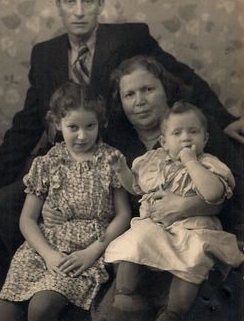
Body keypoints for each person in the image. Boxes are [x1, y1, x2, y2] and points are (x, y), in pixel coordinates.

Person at [0, 0, 243, 320]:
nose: (78, 10)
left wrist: (226, 119)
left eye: (87, 1)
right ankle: (3, 285)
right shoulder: (44, 54)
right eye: (70, 2)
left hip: (105, 159)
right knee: (2, 203)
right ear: (58, 5)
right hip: (63, 162)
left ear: (100, 4)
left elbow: (180, 78)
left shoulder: (129, 40)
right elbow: (28, 121)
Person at [90, 55, 243, 321]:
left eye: (148, 89)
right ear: (121, 101)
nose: (140, 101)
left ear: (165, 89)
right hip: (145, 243)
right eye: (129, 94)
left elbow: (235, 188)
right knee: (114, 312)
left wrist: (188, 204)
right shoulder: (117, 141)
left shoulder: (195, 128)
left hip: (196, 236)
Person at [0, 82, 131, 321]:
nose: (82, 135)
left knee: (41, 309)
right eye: (73, 127)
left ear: (100, 124)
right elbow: (28, 219)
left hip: (83, 253)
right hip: (43, 250)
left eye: (90, 126)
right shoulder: (48, 162)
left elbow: (123, 215)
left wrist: (93, 252)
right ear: (57, 124)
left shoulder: (110, 160)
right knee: (0, 316)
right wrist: (47, 253)